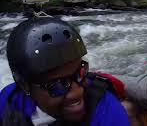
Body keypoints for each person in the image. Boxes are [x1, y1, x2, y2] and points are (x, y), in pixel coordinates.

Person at [0, 17, 130, 126]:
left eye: (81, 74)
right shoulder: (9, 100)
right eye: (57, 84)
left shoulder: (107, 110)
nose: (77, 92)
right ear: (24, 86)